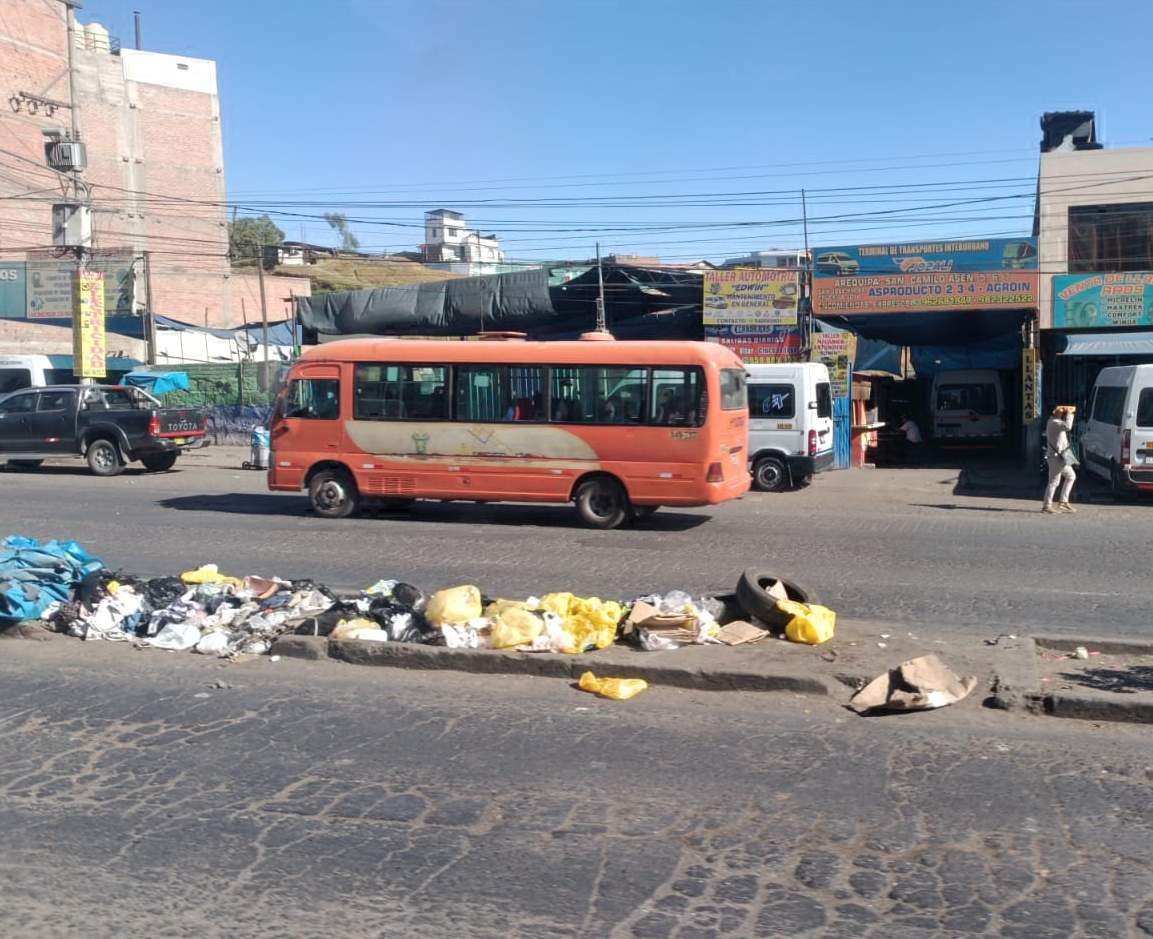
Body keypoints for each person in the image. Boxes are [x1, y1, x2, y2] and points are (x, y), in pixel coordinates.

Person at [1043, 405, 1078, 514]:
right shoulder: (1054, 423)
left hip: (1062, 456)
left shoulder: (1056, 421)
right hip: (1055, 457)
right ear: (1055, 413)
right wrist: (1070, 414)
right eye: (1060, 412)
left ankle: (1063, 502)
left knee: (1071, 476)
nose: (1062, 414)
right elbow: (1068, 427)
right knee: (1054, 482)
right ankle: (1047, 505)